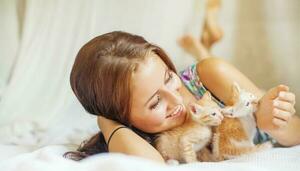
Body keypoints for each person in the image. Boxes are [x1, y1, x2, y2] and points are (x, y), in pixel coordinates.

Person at [63, 30, 299, 163]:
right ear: (125, 119)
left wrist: (275, 125)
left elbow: (295, 133)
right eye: (155, 102)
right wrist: (105, 119)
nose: (177, 102)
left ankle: (203, 47)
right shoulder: (137, 136)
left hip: (213, 82)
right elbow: (148, 169)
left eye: (168, 77)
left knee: (207, 62)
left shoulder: (210, 75)